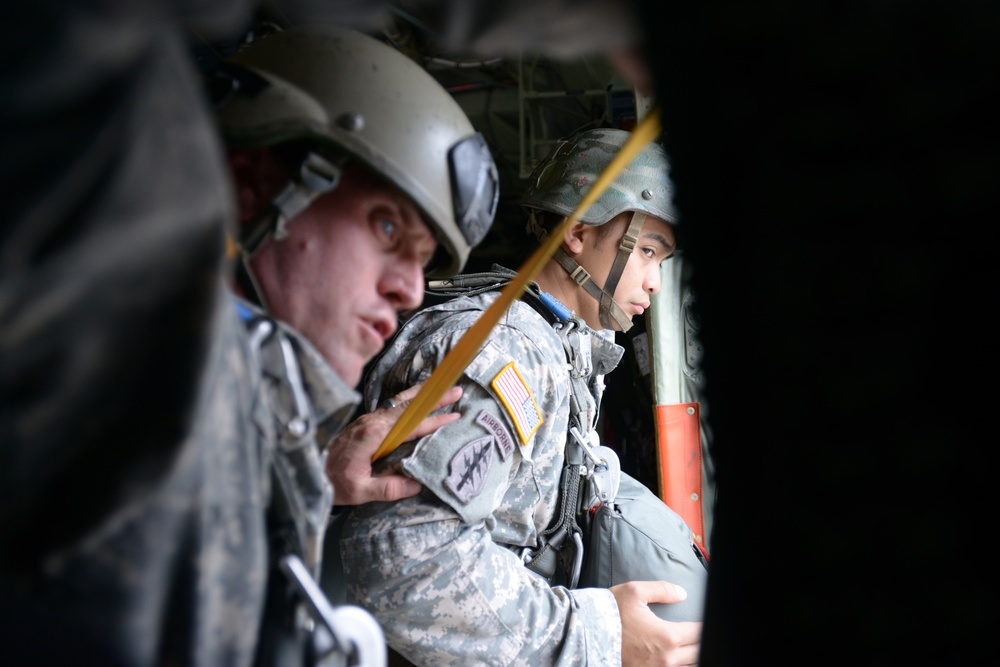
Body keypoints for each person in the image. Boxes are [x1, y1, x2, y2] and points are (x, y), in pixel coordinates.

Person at [0, 16, 498, 667]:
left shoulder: (254, 413)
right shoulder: (134, 353)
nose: (409, 290)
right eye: (385, 226)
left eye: (424, 261)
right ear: (254, 185)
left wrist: (317, 475)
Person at [335, 127, 702, 666]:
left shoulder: (563, 347)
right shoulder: (506, 353)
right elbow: (410, 564)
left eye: (660, 261)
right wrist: (598, 637)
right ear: (576, 234)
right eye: (646, 251)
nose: (652, 282)